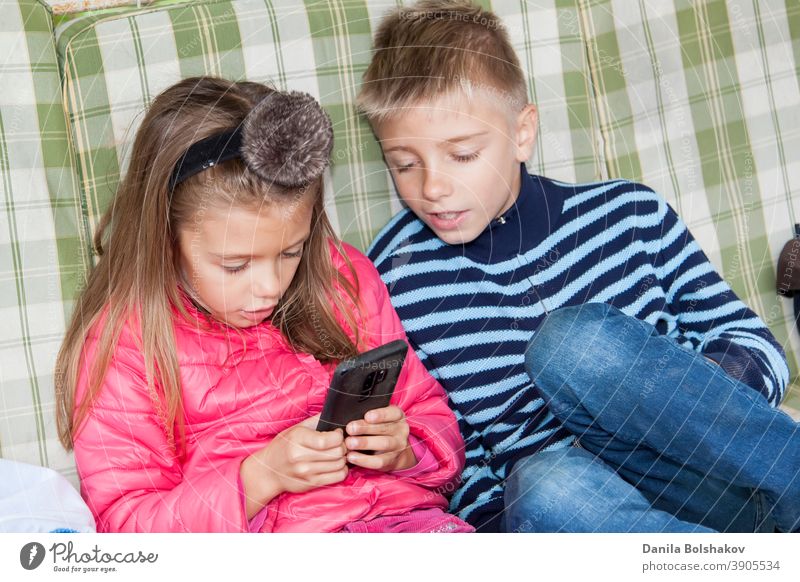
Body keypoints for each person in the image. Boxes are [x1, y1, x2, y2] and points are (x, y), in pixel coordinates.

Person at [359, 0, 800, 532]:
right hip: (590, 515)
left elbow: (756, 346)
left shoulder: (630, 213)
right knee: (547, 486)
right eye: (404, 164)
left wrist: (689, 411)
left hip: (723, 481)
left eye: (463, 155)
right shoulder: (392, 281)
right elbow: (452, 461)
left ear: (522, 133)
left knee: (576, 345)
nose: (431, 187)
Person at [54, 76, 473, 533]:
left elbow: (431, 415)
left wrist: (406, 449)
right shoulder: (126, 343)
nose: (270, 287)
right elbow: (127, 527)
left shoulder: (342, 279)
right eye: (235, 265)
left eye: (291, 252)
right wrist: (260, 477)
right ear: (165, 240)